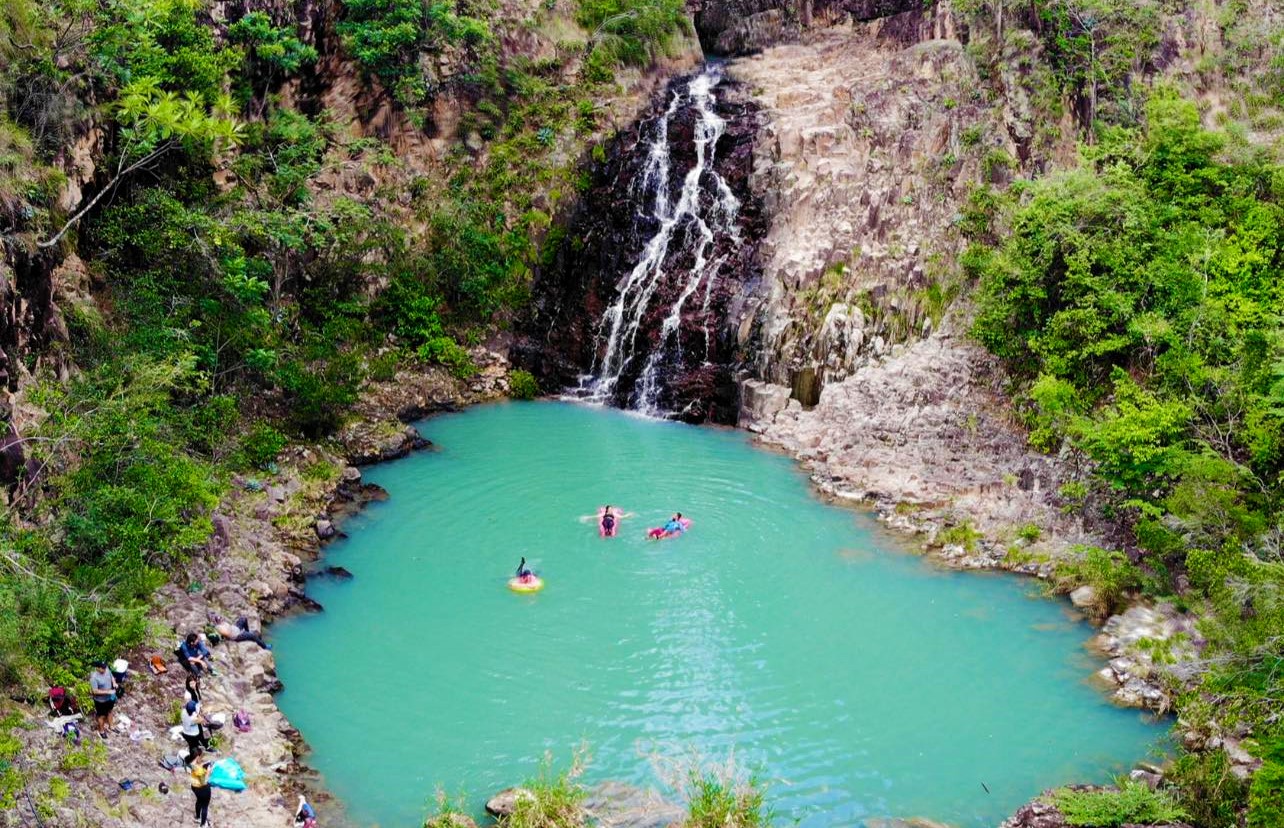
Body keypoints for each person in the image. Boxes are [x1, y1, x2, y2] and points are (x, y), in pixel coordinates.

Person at [88, 660, 118, 739]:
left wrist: (114, 683)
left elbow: (111, 677)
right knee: (101, 716)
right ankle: (101, 731)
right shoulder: (94, 678)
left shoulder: (107, 669)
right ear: (97, 668)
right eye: (102, 668)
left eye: (105, 667)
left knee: (110, 711)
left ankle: (111, 726)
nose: (104, 670)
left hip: (109, 697)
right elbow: (95, 691)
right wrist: (108, 692)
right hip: (100, 701)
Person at [180, 699, 212, 765]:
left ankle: (191, 759)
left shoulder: (184, 712)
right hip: (192, 735)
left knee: (193, 747)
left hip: (186, 732)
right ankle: (190, 761)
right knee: (195, 749)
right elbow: (201, 720)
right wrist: (206, 714)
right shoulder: (192, 719)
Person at [189, 748, 213, 826]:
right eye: (200, 756)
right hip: (203, 789)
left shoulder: (191, 763)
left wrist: (204, 765)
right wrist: (209, 771)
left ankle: (197, 817)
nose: (201, 758)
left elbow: (197, 768)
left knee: (199, 801)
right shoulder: (198, 769)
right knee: (205, 806)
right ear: (197, 757)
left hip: (194, 787)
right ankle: (203, 825)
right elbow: (204, 781)